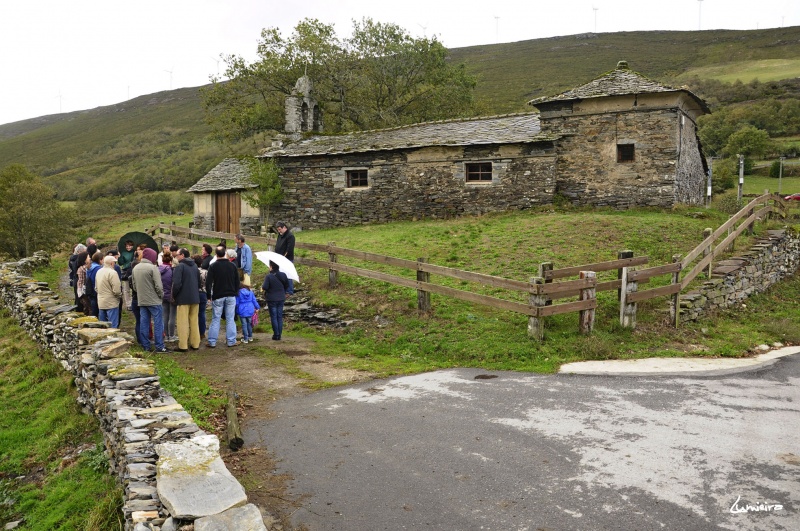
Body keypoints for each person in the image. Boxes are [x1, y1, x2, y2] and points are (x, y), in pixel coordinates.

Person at [131, 248, 169, 353]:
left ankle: (145, 345)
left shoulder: (135, 268)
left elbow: (134, 286)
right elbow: (159, 286)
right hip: (154, 300)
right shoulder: (153, 268)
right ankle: (159, 346)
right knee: (158, 323)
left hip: (142, 299)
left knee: (144, 322)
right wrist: (161, 296)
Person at [206, 246, 240, 348]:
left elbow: (208, 283)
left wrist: (209, 295)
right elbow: (237, 281)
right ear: (225, 253)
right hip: (230, 295)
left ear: (216, 255)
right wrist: (235, 292)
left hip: (218, 294)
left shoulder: (213, 266)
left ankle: (212, 341)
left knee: (216, 318)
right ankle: (231, 340)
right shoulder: (232, 266)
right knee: (230, 318)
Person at [171, 248, 201, 352]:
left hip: (183, 298)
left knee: (182, 322)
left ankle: (183, 345)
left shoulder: (180, 267)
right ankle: (195, 343)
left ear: (182, 255)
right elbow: (199, 281)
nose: (176, 256)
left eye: (177, 255)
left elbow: (176, 284)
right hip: (195, 297)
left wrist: (174, 295)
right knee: (194, 321)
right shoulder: (195, 266)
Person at [261, 260, 289, 340]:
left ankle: (276, 334)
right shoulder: (283, 275)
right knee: (279, 316)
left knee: (274, 316)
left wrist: (263, 287)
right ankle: (279, 334)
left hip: (272, 298)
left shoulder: (269, 276)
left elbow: (265, 287)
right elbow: (287, 285)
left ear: (271, 267)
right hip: (281, 298)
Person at [96, 255, 122, 328]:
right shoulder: (113, 273)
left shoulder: (98, 271)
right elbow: (117, 290)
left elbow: (96, 287)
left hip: (101, 302)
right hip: (111, 302)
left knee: (103, 326)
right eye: (114, 262)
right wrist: (119, 296)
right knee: (113, 325)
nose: (115, 264)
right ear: (111, 263)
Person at [129, 244, 147, 346]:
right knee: (142, 321)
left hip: (134, 299)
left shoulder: (130, 277)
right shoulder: (140, 277)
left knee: (138, 321)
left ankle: (140, 340)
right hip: (141, 299)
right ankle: (144, 340)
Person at [158, 251, 177, 342]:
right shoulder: (172, 270)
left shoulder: (158, 270)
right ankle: (171, 335)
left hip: (162, 295)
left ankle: (165, 335)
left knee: (165, 315)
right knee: (172, 316)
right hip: (171, 295)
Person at [275, 221, 296, 295]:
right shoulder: (280, 235)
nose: (279, 231)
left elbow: (289, 249)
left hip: (287, 258)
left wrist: (283, 257)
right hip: (279, 258)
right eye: (278, 229)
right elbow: (277, 245)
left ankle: (289, 291)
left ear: (284, 227)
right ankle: (283, 290)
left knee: (288, 275)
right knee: (281, 275)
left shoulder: (290, 236)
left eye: (280, 229)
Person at [193, 255, 209, 339]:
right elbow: (209, 284)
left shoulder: (192, 271)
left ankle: (194, 332)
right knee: (202, 313)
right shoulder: (205, 272)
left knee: (193, 313)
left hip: (193, 293)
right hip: (203, 293)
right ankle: (202, 332)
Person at [118, 240, 136, 310]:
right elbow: (121, 263)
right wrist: (120, 257)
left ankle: (134, 302)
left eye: (130, 246)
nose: (128, 247)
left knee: (134, 287)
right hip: (126, 270)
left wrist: (135, 255)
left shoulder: (134, 252)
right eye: (127, 246)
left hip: (133, 270)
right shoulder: (123, 253)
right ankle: (128, 304)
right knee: (126, 288)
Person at [85, 251, 103, 317]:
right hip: (96, 290)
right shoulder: (98, 269)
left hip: (90, 289)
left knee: (93, 307)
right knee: (97, 308)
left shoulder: (90, 267)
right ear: (100, 260)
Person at [74, 251, 92, 315]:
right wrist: (80, 292)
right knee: (87, 307)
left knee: (88, 307)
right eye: (88, 257)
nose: (90, 258)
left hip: (86, 290)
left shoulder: (87, 267)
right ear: (84, 259)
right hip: (83, 291)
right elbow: (80, 281)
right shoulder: (82, 269)